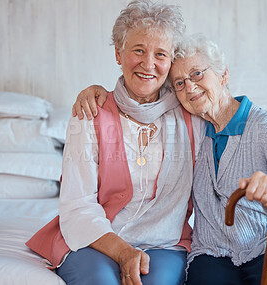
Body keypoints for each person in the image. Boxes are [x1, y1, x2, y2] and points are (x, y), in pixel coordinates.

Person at [74, 34, 267, 284]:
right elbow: (144, 100)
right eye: (179, 83)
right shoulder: (190, 126)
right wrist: (98, 93)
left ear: (223, 74)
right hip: (212, 251)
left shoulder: (265, 126)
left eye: (197, 74)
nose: (189, 87)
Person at [26, 1, 193, 285]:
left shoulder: (190, 116)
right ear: (118, 53)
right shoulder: (90, 113)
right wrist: (123, 251)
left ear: (171, 62)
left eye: (160, 54)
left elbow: (231, 150)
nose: (148, 63)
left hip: (163, 242)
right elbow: (77, 205)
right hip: (95, 240)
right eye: (138, 50)